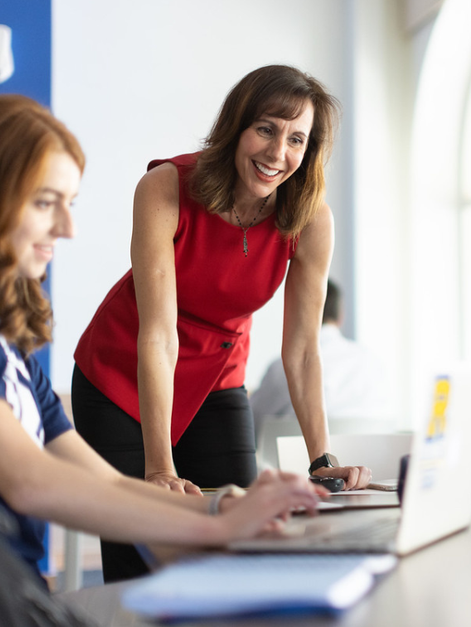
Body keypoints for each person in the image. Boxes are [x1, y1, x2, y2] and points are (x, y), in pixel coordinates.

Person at [0, 94, 327, 582]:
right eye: (46, 202)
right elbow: (29, 481)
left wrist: (218, 511)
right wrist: (213, 521)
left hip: (7, 586)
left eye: (69, 204)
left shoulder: (7, 344)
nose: (68, 228)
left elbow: (105, 482)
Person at [71, 65, 370, 582]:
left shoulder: (310, 219)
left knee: (242, 542)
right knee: (141, 548)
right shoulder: (165, 188)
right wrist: (160, 468)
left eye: (297, 138)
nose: (278, 153)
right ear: (237, 126)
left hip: (217, 376)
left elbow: (302, 350)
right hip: (123, 374)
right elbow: (159, 335)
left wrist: (321, 459)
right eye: (266, 128)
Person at [250, 279, 391, 437]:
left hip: (297, 459)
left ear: (295, 312)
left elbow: (252, 423)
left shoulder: (282, 367)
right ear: (340, 315)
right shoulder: (372, 361)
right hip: (368, 458)